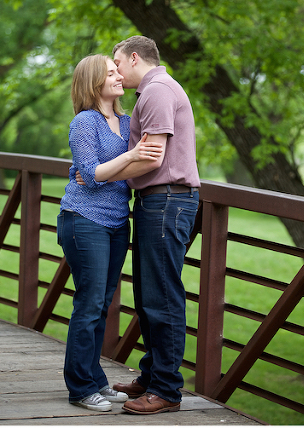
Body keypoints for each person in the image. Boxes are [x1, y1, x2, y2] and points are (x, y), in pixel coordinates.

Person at [58, 55, 163, 411]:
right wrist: (129, 157)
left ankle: (95, 380)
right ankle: (80, 388)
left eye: (118, 71)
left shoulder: (127, 121)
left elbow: (131, 167)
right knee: (88, 305)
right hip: (84, 220)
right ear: (94, 81)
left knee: (102, 305)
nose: (120, 76)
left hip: (118, 222)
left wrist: (113, 167)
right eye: (112, 72)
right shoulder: (84, 122)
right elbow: (89, 175)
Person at [106, 35, 201, 415]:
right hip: (157, 201)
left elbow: (153, 157)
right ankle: (151, 376)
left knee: (161, 296)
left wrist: (101, 176)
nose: (115, 71)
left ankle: (166, 390)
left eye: (117, 63)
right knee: (148, 296)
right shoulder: (152, 91)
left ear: (134, 58)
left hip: (167, 201)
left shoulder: (158, 90)